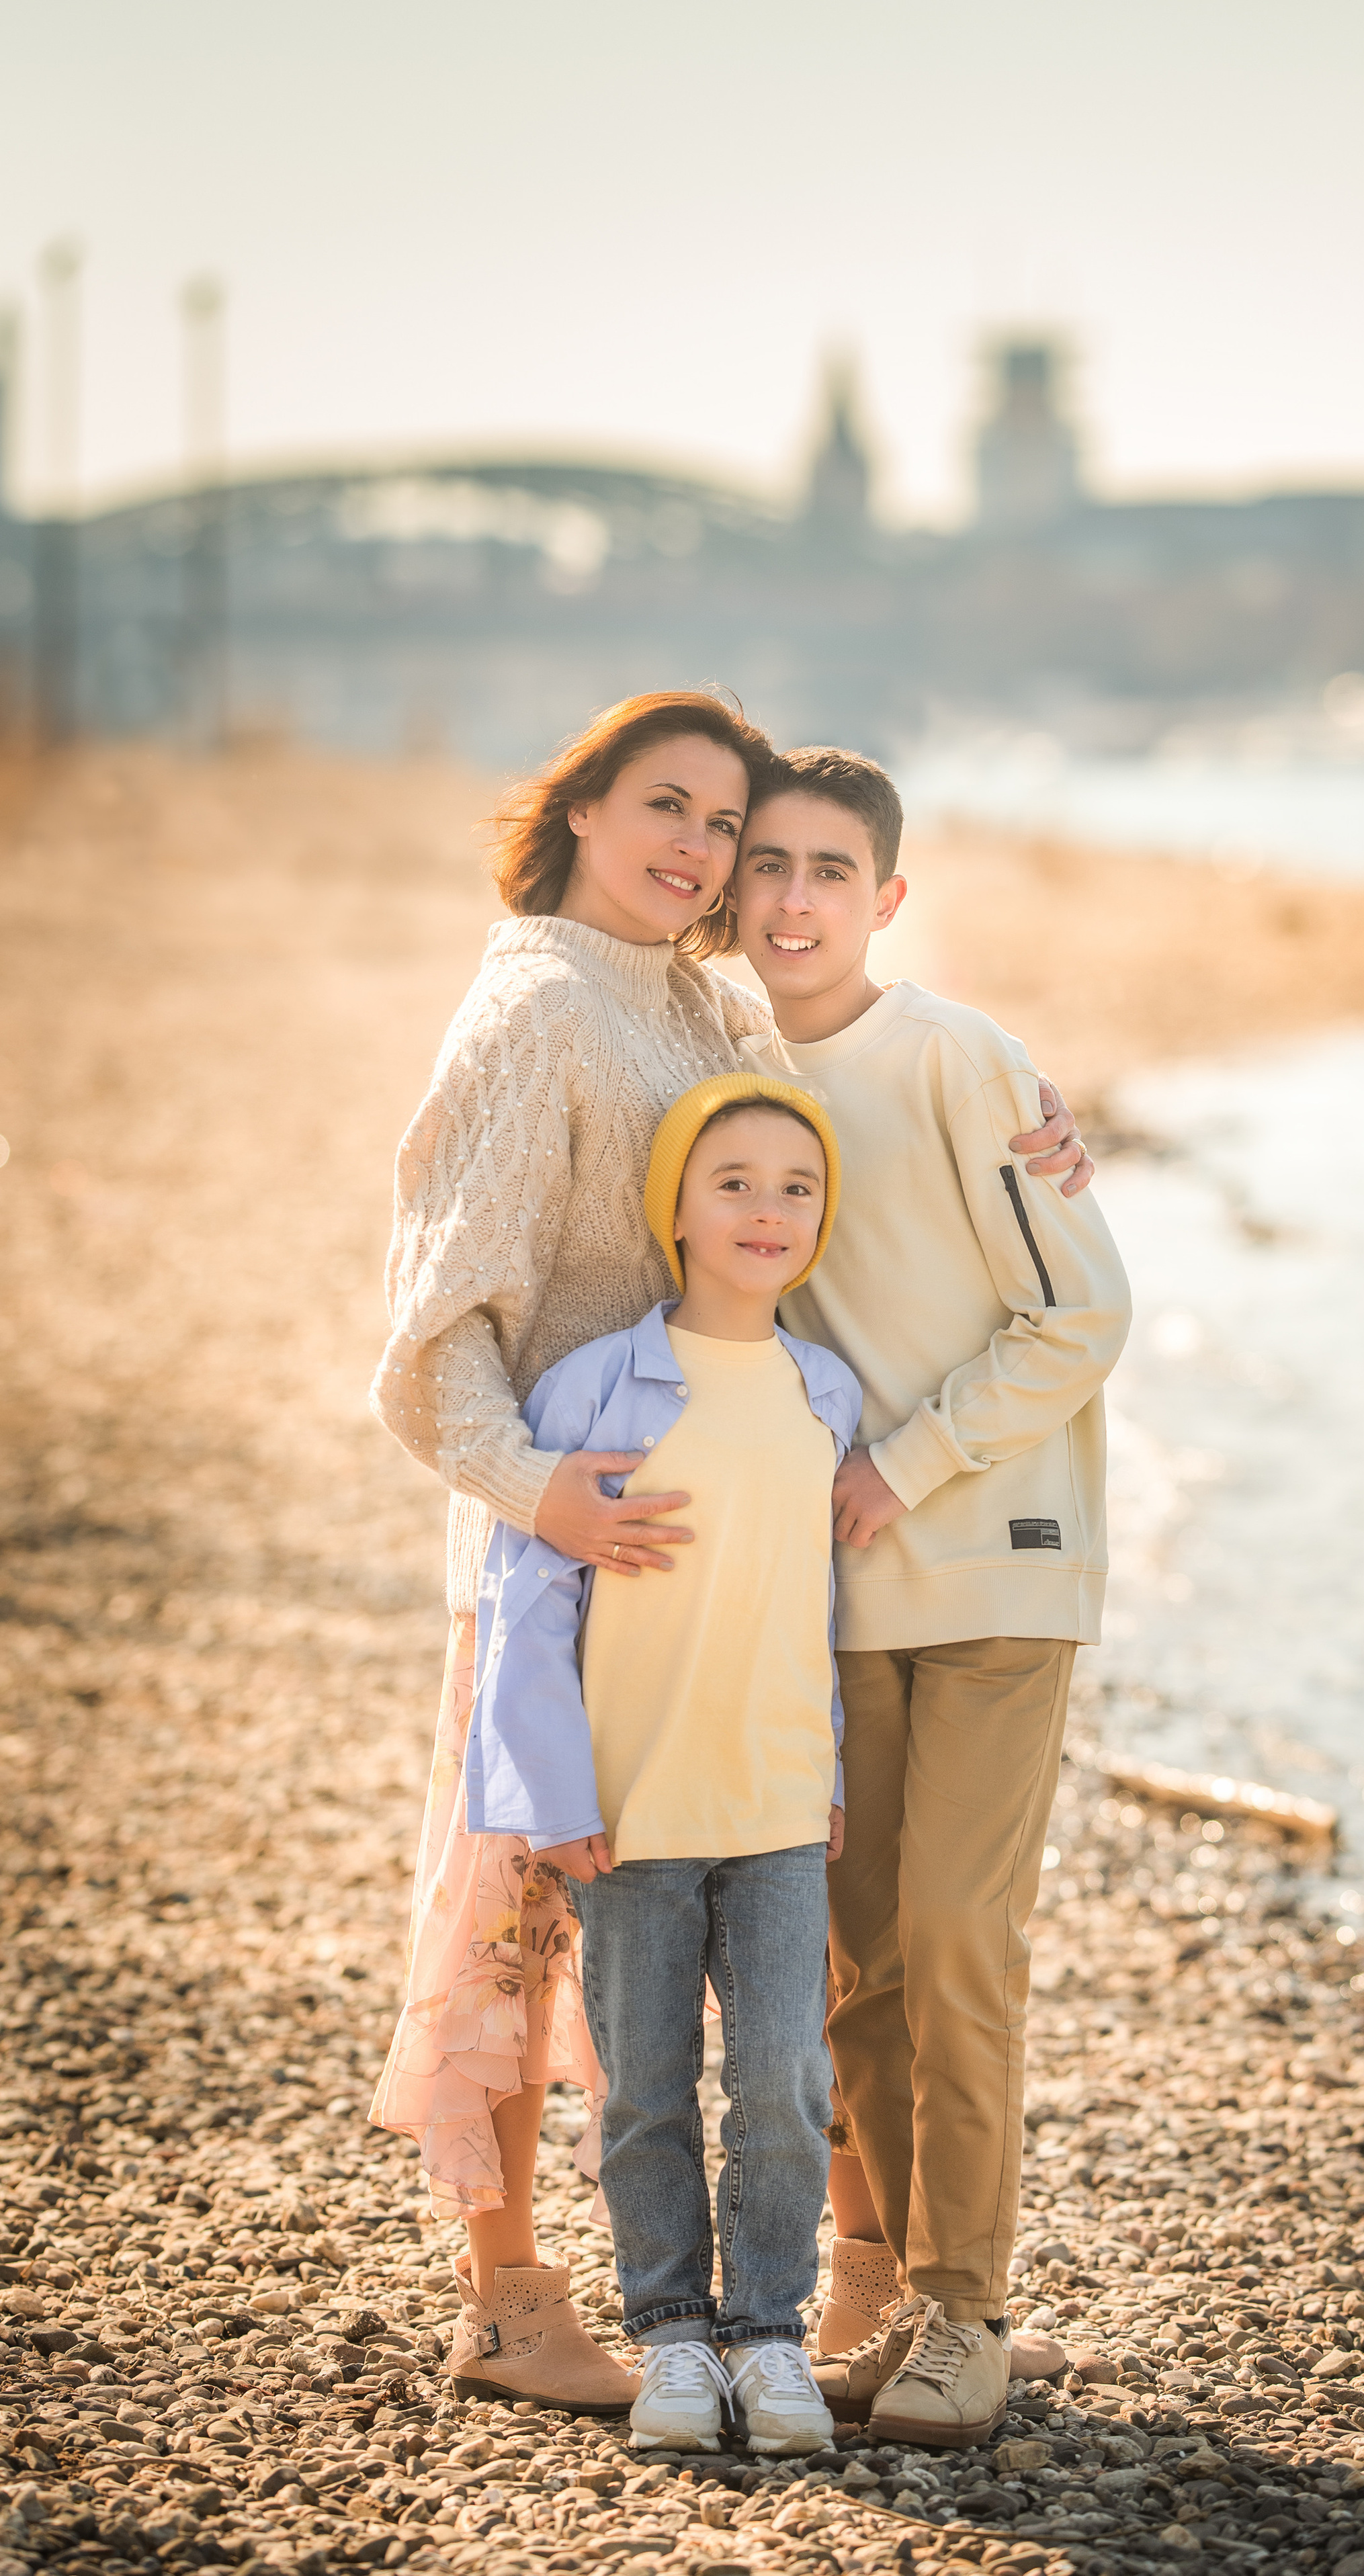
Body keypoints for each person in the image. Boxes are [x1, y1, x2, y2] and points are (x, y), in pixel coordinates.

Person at [367, 688, 1091, 2413]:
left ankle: (859, 2279)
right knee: (531, 1907)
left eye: (722, 827)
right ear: (580, 816)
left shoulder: (696, 995)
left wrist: (1036, 1134)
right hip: (578, 1539)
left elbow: (838, 1149)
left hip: (738, 1534)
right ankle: (510, 2298)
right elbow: (427, 1323)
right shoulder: (535, 1000)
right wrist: (534, 1492)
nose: (696, 851)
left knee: (781, 1876)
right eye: (665, 811)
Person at [734, 747, 1134, 2448]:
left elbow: (1082, 1312)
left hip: (998, 1566)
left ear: (884, 899)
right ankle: (911, 2298)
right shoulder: (731, 1078)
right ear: (734, 895)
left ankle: (969, 2313)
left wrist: (905, 1462)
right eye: (768, 866)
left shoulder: (964, 1059)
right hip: (837, 1592)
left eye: (832, 870)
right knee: (866, 1973)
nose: (795, 897)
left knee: (962, 1943)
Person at [465, 1076, 861, 2456]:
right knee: (639, 2087)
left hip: (772, 1806)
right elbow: (527, 1606)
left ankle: (767, 2334)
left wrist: (829, 1775)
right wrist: (553, 1799)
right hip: (629, 1815)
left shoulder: (825, 1392)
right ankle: (672, 2336)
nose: (767, 1211)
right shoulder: (597, 1384)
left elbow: (819, 1606)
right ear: (676, 1207)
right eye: (734, 1182)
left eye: (796, 1188)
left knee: (779, 2085)